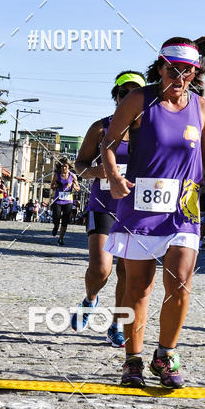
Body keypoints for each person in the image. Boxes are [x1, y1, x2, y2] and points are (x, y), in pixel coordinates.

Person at [102, 39, 205, 387]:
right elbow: (109, 143)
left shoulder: (201, 108)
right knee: (139, 287)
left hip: (184, 204)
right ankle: (133, 360)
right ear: (159, 67)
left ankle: (166, 355)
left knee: (181, 281)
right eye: (173, 69)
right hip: (141, 204)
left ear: (195, 74)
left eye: (187, 71)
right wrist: (113, 176)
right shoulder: (139, 100)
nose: (180, 76)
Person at [72, 70, 147, 347]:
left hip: (134, 210)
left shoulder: (149, 133)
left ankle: (116, 325)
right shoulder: (101, 128)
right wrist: (97, 172)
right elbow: (79, 166)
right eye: (122, 93)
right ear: (115, 97)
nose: (128, 98)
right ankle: (90, 299)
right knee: (101, 269)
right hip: (102, 205)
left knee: (127, 273)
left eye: (134, 93)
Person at [50, 160, 80, 244]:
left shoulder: (73, 176)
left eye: (65, 166)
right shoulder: (57, 175)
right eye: (62, 166)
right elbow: (52, 186)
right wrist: (55, 186)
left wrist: (74, 186)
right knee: (56, 216)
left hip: (68, 200)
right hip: (58, 199)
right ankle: (56, 226)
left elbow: (78, 188)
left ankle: (61, 238)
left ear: (69, 167)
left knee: (65, 220)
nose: (63, 168)